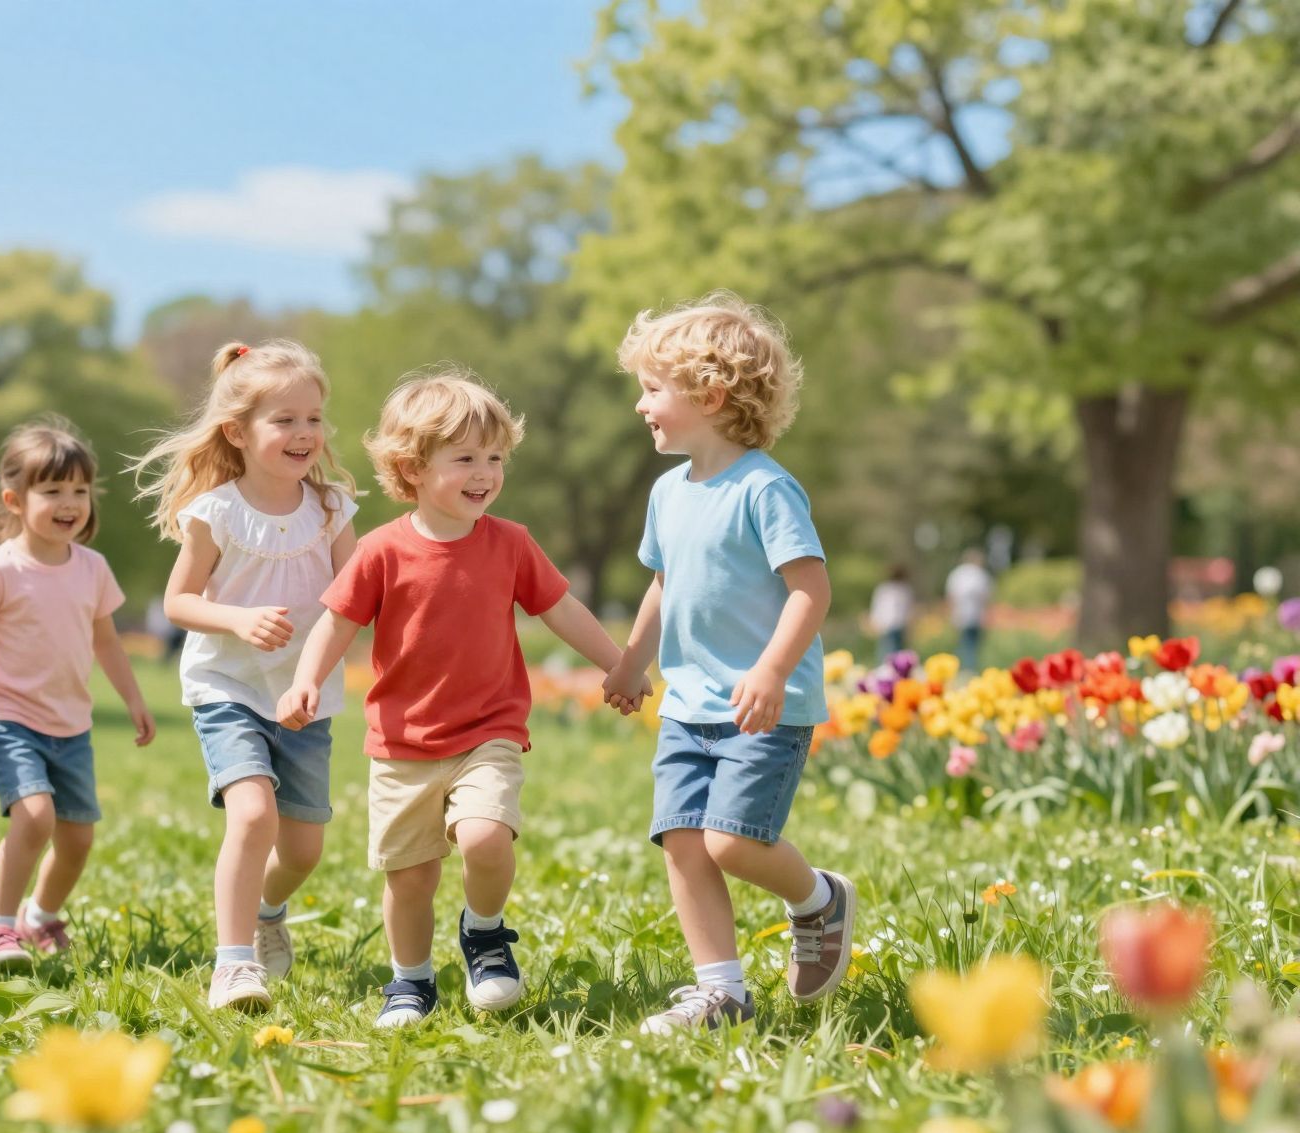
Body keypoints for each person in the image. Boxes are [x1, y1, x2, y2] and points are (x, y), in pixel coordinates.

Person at [277, 372, 625, 1028]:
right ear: (412, 467)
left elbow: (561, 609)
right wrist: (306, 680)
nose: (485, 473)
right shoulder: (382, 551)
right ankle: (410, 982)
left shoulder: (511, 543)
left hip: (488, 730)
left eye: (495, 458)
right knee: (409, 878)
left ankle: (485, 933)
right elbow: (336, 623)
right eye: (465, 458)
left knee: (486, 836)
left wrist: (619, 664)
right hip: (402, 743)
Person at [601, 292, 855, 1035]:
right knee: (683, 840)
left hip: (759, 705)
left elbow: (811, 589)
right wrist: (631, 662)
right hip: (687, 704)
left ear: (709, 397)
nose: (641, 406)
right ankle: (722, 992)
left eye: (652, 390)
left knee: (732, 842)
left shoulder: (765, 488)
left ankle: (818, 900)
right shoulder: (666, 492)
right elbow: (663, 583)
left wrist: (773, 669)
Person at [132, 340, 361, 1011]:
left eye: (314, 418)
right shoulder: (217, 512)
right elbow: (179, 603)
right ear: (238, 431)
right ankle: (233, 965)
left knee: (303, 850)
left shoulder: (333, 509)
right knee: (252, 813)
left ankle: (266, 913)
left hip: (307, 694)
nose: (304, 434)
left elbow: (357, 595)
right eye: (284, 420)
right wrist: (237, 619)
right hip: (229, 690)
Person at [0, 419, 155, 971]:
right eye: (53, 491)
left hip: (71, 724)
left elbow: (107, 641)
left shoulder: (92, 568)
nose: (69, 502)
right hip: (6, 715)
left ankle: (40, 915)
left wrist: (134, 700)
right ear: (14, 499)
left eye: (80, 490)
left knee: (77, 840)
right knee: (34, 816)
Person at [946, 548, 994, 671]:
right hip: (976, 615)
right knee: (973, 644)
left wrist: (951, 614)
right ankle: (970, 668)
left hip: (961, 615)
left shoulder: (957, 574)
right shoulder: (981, 574)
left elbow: (951, 596)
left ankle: (962, 668)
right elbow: (986, 598)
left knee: (964, 643)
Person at [869, 564, 913, 661]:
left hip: (892, 625)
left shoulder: (885, 589)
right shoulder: (901, 589)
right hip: (890, 625)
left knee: (889, 652)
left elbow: (877, 607)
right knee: (891, 652)